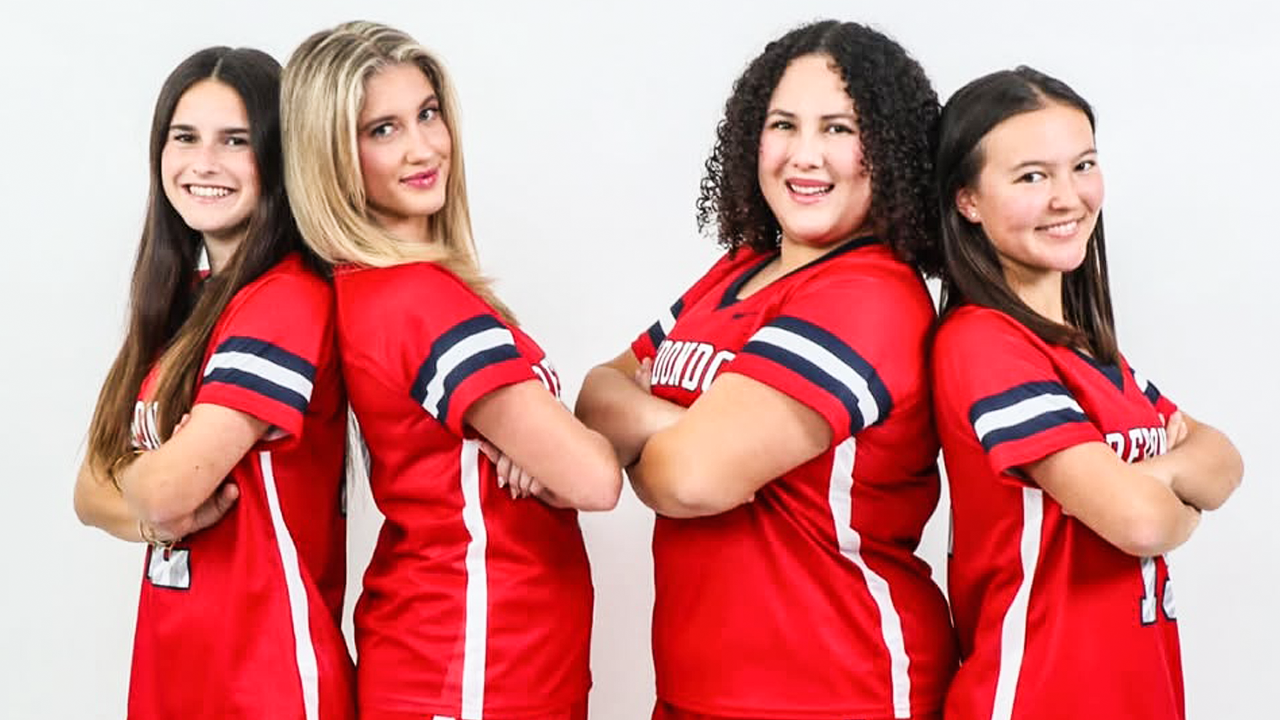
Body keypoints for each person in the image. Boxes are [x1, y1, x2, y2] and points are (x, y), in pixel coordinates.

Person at [575, 20, 955, 720]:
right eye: (784, 124)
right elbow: (596, 394)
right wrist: (685, 429)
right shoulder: (736, 273)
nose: (805, 156)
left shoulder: (869, 298)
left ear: (891, 150)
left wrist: (668, 445)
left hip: (836, 691)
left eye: (840, 129)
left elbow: (687, 478)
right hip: (700, 692)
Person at [280, 21, 622, 720]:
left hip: (486, 651)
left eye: (427, 113)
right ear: (331, 155)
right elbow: (596, 479)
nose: (423, 147)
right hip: (471, 659)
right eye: (382, 129)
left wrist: (553, 451)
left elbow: (570, 469)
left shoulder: (391, 288)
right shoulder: (418, 303)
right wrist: (566, 454)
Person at [930, 66, 1244, 720]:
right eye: (1031, 176)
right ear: (967, 201)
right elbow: (1143, 520)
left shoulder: (1088, 351)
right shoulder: (985, 344)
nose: (1067, 197)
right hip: (1038, 697)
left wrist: (1149, 480)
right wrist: (1168, 502)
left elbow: (1222, 463)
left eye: (1082, 165)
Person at [72, 46, 354, 719]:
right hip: (175, 669)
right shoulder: (186, 304)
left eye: (235, 141)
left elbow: (168, 490)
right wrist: (152, 503)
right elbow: (87, 490)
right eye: (185, 137)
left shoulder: (287, 300)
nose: (204, 163)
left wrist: (146, 487)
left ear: (278, 159)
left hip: (268, 680)